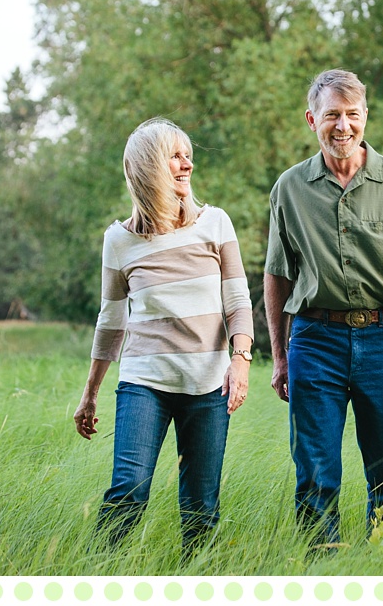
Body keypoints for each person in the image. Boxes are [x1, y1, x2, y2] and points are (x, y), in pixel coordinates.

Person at [264, 69, 383, 545]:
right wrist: (280, 356)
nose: (342, 126)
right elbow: (277, 275)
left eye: (352, 115)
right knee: (315, 473)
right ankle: (322, 575)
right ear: (311, 119)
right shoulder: (289, 188)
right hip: (314, 341)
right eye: (331, 116)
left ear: (366, 118)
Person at [73, 118, 254, 553]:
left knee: (200, 510)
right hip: (143, 385)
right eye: (174, 155)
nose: (187, 163)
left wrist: (241, 361)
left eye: (187, 154)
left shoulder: (215, 224)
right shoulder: (118, 240)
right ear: (148, 167)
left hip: (208, 386)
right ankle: (102, 580)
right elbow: (111, 320)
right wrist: (91, 392)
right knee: (128, 492)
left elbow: (238, 301)